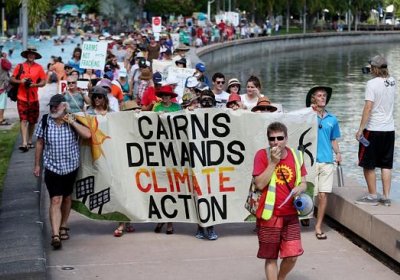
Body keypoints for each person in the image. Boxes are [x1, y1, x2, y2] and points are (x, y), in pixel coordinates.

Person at [33, 94, 91, 249]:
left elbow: (87, 134)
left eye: (56, 106)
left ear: (64, 106)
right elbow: (39, 143)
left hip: (71, 167)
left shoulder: (72, 119)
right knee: (55, 199)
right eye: (51, 106)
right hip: (52, 168)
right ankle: (55, 235)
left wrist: (72, 122)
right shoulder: (45, 121)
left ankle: (64, 225)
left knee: (66, 198)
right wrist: (37, 165)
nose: (53, 109)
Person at [253, 122, 307, 280]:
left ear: (286, 138)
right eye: (272, 139)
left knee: (292, 256)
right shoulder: (262, 155)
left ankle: (280, 278)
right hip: (269, 215)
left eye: (280, 138)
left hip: (291, 215)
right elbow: (260, 184)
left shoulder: (297, 156)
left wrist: (300, 188)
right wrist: (273, 163)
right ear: (268, 140)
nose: (276, 142)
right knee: (271, 257)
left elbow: (303, 182)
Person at [355, 55, 396, 207]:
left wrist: (360, 129)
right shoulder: (392, 81)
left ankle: (372, 195)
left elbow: (368, 107)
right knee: (386, 164)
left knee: (368, 164)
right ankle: (385, 197)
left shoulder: (371, 84)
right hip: (389, 129)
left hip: (373, 129)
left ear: (374, 68)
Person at [306, 86, 342, 239]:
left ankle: (319, 225)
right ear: (313, 98)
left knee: (322, 195)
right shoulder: (307, 115)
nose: (323, 98)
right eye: (319, 95)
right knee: (308, 193)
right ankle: (306, 215)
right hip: (310, 160)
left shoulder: (332, 119)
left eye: (324, 95)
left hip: (327, 160)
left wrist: (338, 153)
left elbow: (333, 139)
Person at [10, 46, 46, 152]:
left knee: (32, 121)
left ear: (35, 56)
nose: (31, 55)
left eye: (33, 54)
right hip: (21, 97)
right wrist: (21, 81)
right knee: (23, 119)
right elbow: (12, 79)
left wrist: (35, 85)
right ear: (26, 55)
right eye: (29, 54)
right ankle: (24, 142)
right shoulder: (19, 66)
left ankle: (30, 140)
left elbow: (43, 82)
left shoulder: (39, 67)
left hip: (34, 98)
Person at [0, 52, 11, 125]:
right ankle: (1, 118)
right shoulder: (2, 61)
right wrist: (5, 59)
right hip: (2, 84)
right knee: (2, 102)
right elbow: (9, 66)